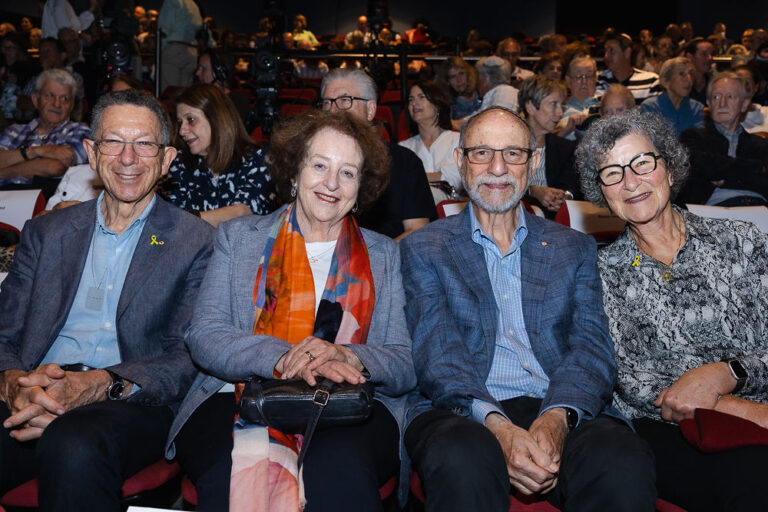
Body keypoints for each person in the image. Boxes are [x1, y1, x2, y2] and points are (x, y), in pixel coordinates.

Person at [400, 106, 656, 512]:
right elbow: (438, 353)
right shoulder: (424, 247)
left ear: (533, 162)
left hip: (558, 398)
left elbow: (592, 346)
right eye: (481, 153)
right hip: (462, 407)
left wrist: (556, 417)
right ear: (460, 161)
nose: (497, 168)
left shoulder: (573, 246)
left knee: (622, 463)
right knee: (462, 460)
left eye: (513, 154)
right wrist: (499, 426)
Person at [166, 110, 416, 511]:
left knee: (340, 476)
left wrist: (345, 355)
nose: (332, 183)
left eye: (348, 172)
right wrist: (285, 357)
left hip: (348, 404)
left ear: (361, 187)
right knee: (236, 476)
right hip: (241, 396)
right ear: (295, 172)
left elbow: (403, 363)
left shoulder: (383, 254)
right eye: (320, 166)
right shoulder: (239, 237)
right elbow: (205, 335)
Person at [0, 88, 213, 510]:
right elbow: (3, 332)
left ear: (168, 158)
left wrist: (97, 384)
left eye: (144, 144)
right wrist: (11, 385)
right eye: (114, 142)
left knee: (73, 443)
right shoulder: (47, 233)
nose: (128, 159)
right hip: (34, 389)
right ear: (92, 153)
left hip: (131, 401)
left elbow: (186, 359)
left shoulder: (195, 241)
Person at [575, 109, 768, 511]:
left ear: (668, 166)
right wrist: (737, 407)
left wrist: (726, 372)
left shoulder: (743, 241)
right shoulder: (598, 272)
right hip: (667, 429)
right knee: (753, 480)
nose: (631, 182)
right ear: (601, 192)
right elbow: (631, 381)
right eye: (612, 173)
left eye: (642, 163)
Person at [320, 68, 436, 240]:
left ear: (370, 110)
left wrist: (375, 259)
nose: (333, 110)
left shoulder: (405, 163)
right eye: (328, 102)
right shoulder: (310, 164)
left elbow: (418, 232)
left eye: (345, 100)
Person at [158, 83, 277, 227]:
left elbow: (244, 212)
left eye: (191, 120)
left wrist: (186, 221)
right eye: (180, 122)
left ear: (216, 118)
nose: (182, 130)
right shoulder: (178, 164)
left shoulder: (258, 159)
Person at [679, 71, 768, 206]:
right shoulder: (692, 138)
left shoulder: (761, 145)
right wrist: (756, 167)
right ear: (709, 103)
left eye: (730, 96)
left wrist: (724, 180)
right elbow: (702, 167)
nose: (722, 103)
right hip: (709, 214)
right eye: (716, 97)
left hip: (758, 210)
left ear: (744, 104)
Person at [0, 69, 89, 186]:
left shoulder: (80, 132)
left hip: (48, 202)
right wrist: (35, 152)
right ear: (36, 100)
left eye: (64, 99)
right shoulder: (14, 131)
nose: (57, 104)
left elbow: (54, 167)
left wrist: (4, 172)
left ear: (71, 106)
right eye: (50, 96)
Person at [518, 76, 580, 216]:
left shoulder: (565, 148)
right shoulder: (506, 146)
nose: (560, 112)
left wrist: (565, 197)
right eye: (553, 104)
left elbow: (572, 187)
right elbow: (501, 185)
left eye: (561, 105)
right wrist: (533, 191)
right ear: (531, 107)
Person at [399, 81, 462, 203]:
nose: (414, 103)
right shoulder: (404, 147)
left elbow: (454, 179)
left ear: (437, 104)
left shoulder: (457, 140)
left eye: (421, 97)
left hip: (451, 208)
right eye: (411, 99)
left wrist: (413, 177)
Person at [640, 56, 704, 135]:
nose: (689, 79)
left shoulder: (697, 108)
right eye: (682, 74)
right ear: (665, 82)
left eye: (691, 74)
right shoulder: (650, 107)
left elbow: (698, 141)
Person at [597, 31, 660, 103]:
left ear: (627, 53)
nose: (606, 56)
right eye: (605, 51)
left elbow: (655, 113)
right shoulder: (598, 80)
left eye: (611, 50)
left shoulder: (651, 81)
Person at [158, 0, 202, 93]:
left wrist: (161, 49)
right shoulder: (193, 4)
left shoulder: (171, 2)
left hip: (174, 47)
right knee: (185, 93)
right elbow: (199, 25)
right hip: (191, 49)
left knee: (169, 91)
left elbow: (164, 28)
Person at [558, 56, 599, 140]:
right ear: (568, 81)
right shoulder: (558, 112)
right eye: (578, 76)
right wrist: (565, 131)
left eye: (588, 76)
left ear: (596, 78)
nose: (584, 82)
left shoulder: (606, 108)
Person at [436, 56, 481, 121]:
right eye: (453, 77)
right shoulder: (446, 104)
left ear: (468, 74)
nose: (459, 80)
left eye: (461, 73)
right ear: (447, 81)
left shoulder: (482, 93)